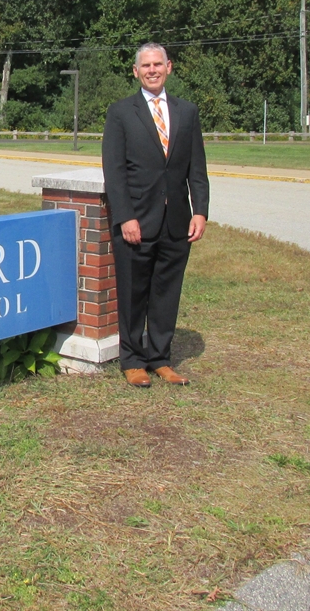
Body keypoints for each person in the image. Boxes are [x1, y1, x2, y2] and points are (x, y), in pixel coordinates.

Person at [102, 43, 209, 388]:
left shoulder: (187, 112)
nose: (152, 70)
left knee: (166, 291)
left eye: (157, 64)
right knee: (133, 292)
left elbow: (197, 168)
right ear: (136, 71)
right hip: (136, 220)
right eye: (145, 65)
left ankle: (160, 357)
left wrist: (201, 211)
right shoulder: (120, 112)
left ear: (169, 67)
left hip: (177, 220)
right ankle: (133, 360)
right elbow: (114, 172)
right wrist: (125, 216)